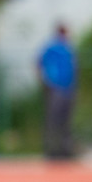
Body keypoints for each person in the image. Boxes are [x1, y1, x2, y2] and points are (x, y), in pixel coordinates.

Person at [38, 24, 76, 159]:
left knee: (65, 121)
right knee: (53, 120)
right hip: (55, 88)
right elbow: (39, 63)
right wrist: (46, 82)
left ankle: (64, 150)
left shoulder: (68, 48)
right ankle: (51, 150)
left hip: (68, 89)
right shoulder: (51, 47)